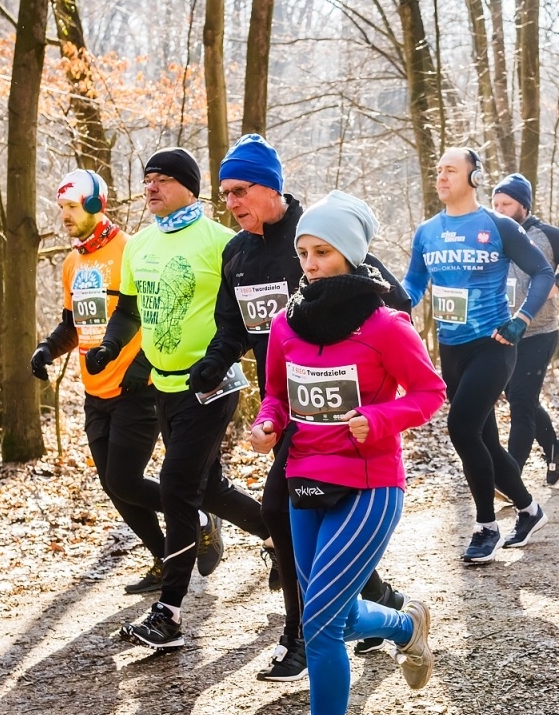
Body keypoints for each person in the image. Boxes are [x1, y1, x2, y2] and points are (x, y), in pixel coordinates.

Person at [192, 135, 412, 681]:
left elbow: (392, 297)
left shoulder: (316, 234)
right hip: (285, 404)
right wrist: (213, 362)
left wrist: (365, 353)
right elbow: (232, 327)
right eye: (224, 194)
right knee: (296, 512)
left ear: (272, 187)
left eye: (241, 190)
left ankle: (301, 635)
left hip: (344, 413)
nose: (232, 203)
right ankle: (373, 599)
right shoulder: (236, 252)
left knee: (282, 512)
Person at [250, 192, 445, 715]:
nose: (309, 262)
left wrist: (381, 419)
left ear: (351, 255)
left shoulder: (385, 325)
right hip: (306, 481)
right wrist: (268, 424)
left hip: (369, 485)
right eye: (304, 252)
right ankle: (405, 624)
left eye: (323, 252)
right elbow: (277, 395)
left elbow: (429, 392)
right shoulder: (287, 323)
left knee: (319, 624)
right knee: (326, 614)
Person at [87, 147, 270, 648]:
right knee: (206, 487)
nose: (151, 187)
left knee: (176, 488)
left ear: (189, 186)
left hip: (212, 384)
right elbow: (129, 311)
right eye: (147, 179)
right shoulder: (139, 244)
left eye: (163, 179)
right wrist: (110, 345)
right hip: (163, 384)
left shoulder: (223, 242)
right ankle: (278, 539)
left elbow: (244, 317)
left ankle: (168, 613)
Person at [30, 170, 223, 596]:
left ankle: (197, 519)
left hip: (135, 388)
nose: (64, 215)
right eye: (61, 207)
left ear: (96, 205)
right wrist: (47, 349)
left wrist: (140, 368)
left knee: (124, 480)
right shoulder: (71, 263)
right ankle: (165, 555)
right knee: (115, 486)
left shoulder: (128, 249)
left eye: (72, 207)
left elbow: (142, 311)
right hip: (94, 391)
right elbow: (73, 325)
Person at [405, 148, 555, 562]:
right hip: (451, 350)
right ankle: (529, 508)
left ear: (473, 178)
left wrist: (522, 319)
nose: (441, 177)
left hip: (495, 345)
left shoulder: (498, 225)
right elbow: (414, 286)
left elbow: (542, 272)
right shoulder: (427, 232)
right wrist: (393, 305)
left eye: (450, 170)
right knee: (484, 438)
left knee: (461, 429)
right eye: (438, 170)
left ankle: (486, 525)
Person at [489, 174, 559, 485]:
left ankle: (510, 479)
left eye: (506, 204)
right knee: (523, 399)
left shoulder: (547, 235)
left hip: (539, 331)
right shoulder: (490, 235)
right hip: (502, 331)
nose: (499, 209)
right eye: (494, 204)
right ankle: (555, 448)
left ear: (524, 206)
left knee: (520, 401)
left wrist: (558, 283)